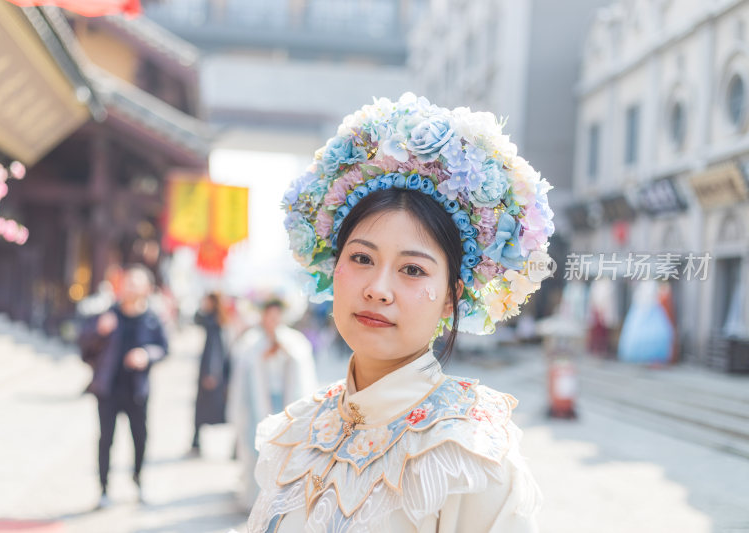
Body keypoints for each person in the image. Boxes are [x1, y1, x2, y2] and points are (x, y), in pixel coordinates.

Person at [248, 93, 555, 531]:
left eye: (412, 269)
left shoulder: (470, 456)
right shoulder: (296, 432)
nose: (378, 289)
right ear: (332, 268)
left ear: (451, 297)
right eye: (361, 259)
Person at [78, 264, 169, 508]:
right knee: (105, 439)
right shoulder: (107, 314)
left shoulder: (151, 319)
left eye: (137, 283)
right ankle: (104, 489)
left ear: (147, 289)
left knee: (140, 437)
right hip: (107, 388)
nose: (131, 288)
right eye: (128, 283)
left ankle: (138, 480)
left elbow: (164, 348)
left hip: (137, 391)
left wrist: (146, 355)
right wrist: (98, 331)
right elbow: (83, 345)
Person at [227, 298, 317, 510]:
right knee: (256, 451)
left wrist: (286, 354)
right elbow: (240, 376)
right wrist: (263, 356)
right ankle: (256, 500)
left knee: (286, 452)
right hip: (256, 404)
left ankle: (284, 500)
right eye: (270, 315)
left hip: (286, 402)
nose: (273, 320)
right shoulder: (250, 342)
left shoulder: (294, 340)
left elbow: (303, 371)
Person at [189, 291, 230, 456]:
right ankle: (196, 440)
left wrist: (212, 371)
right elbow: (196, 317)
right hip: (211, 370)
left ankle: (197, 440)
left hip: (211, 371)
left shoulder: (215, 322)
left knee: (206, 407)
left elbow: (215, 349)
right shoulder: (212, 319)